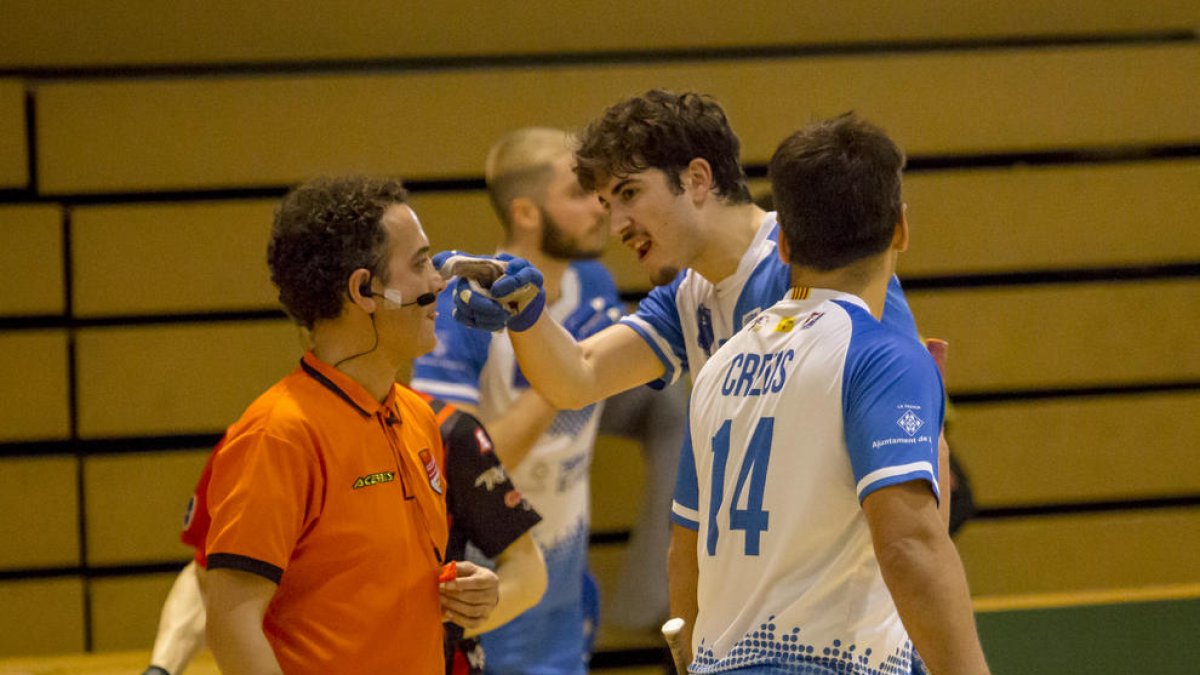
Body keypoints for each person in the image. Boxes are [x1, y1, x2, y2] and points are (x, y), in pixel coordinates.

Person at [438, 91, 942, 511]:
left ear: (698, 179)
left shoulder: (809, 264)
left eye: (630, 193)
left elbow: (917, 435)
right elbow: (580, 377)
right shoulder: (688, 293)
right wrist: (525, 313)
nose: (616, 227)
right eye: (608, 206)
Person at [669, 113, 989, 674]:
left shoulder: (717, 368)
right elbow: (908, 545)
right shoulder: (885, 355)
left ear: (785, 244)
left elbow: (684, 553)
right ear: (901, 230)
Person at [202, 175, 499, 674]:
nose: (438, 282)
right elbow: (231, 623)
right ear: (365, 290)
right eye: (421, 263)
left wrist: (466, 592)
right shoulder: (278, 434)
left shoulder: (419, 417)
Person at [142, 390, 546, 675]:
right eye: (418, 266)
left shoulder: (444, 430)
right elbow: (211, 579)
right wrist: (160, 670)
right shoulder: (263, 438)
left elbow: (528, 575)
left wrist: (435, 622)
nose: (434, 282)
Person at [412, 127, 622, 674]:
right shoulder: (465, 309)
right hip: (489, 579)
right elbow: (452, 467)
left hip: (562, 577)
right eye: (579, 194)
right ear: (526, 213)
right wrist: (565, 369)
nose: (601, 207)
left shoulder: (595, 284)